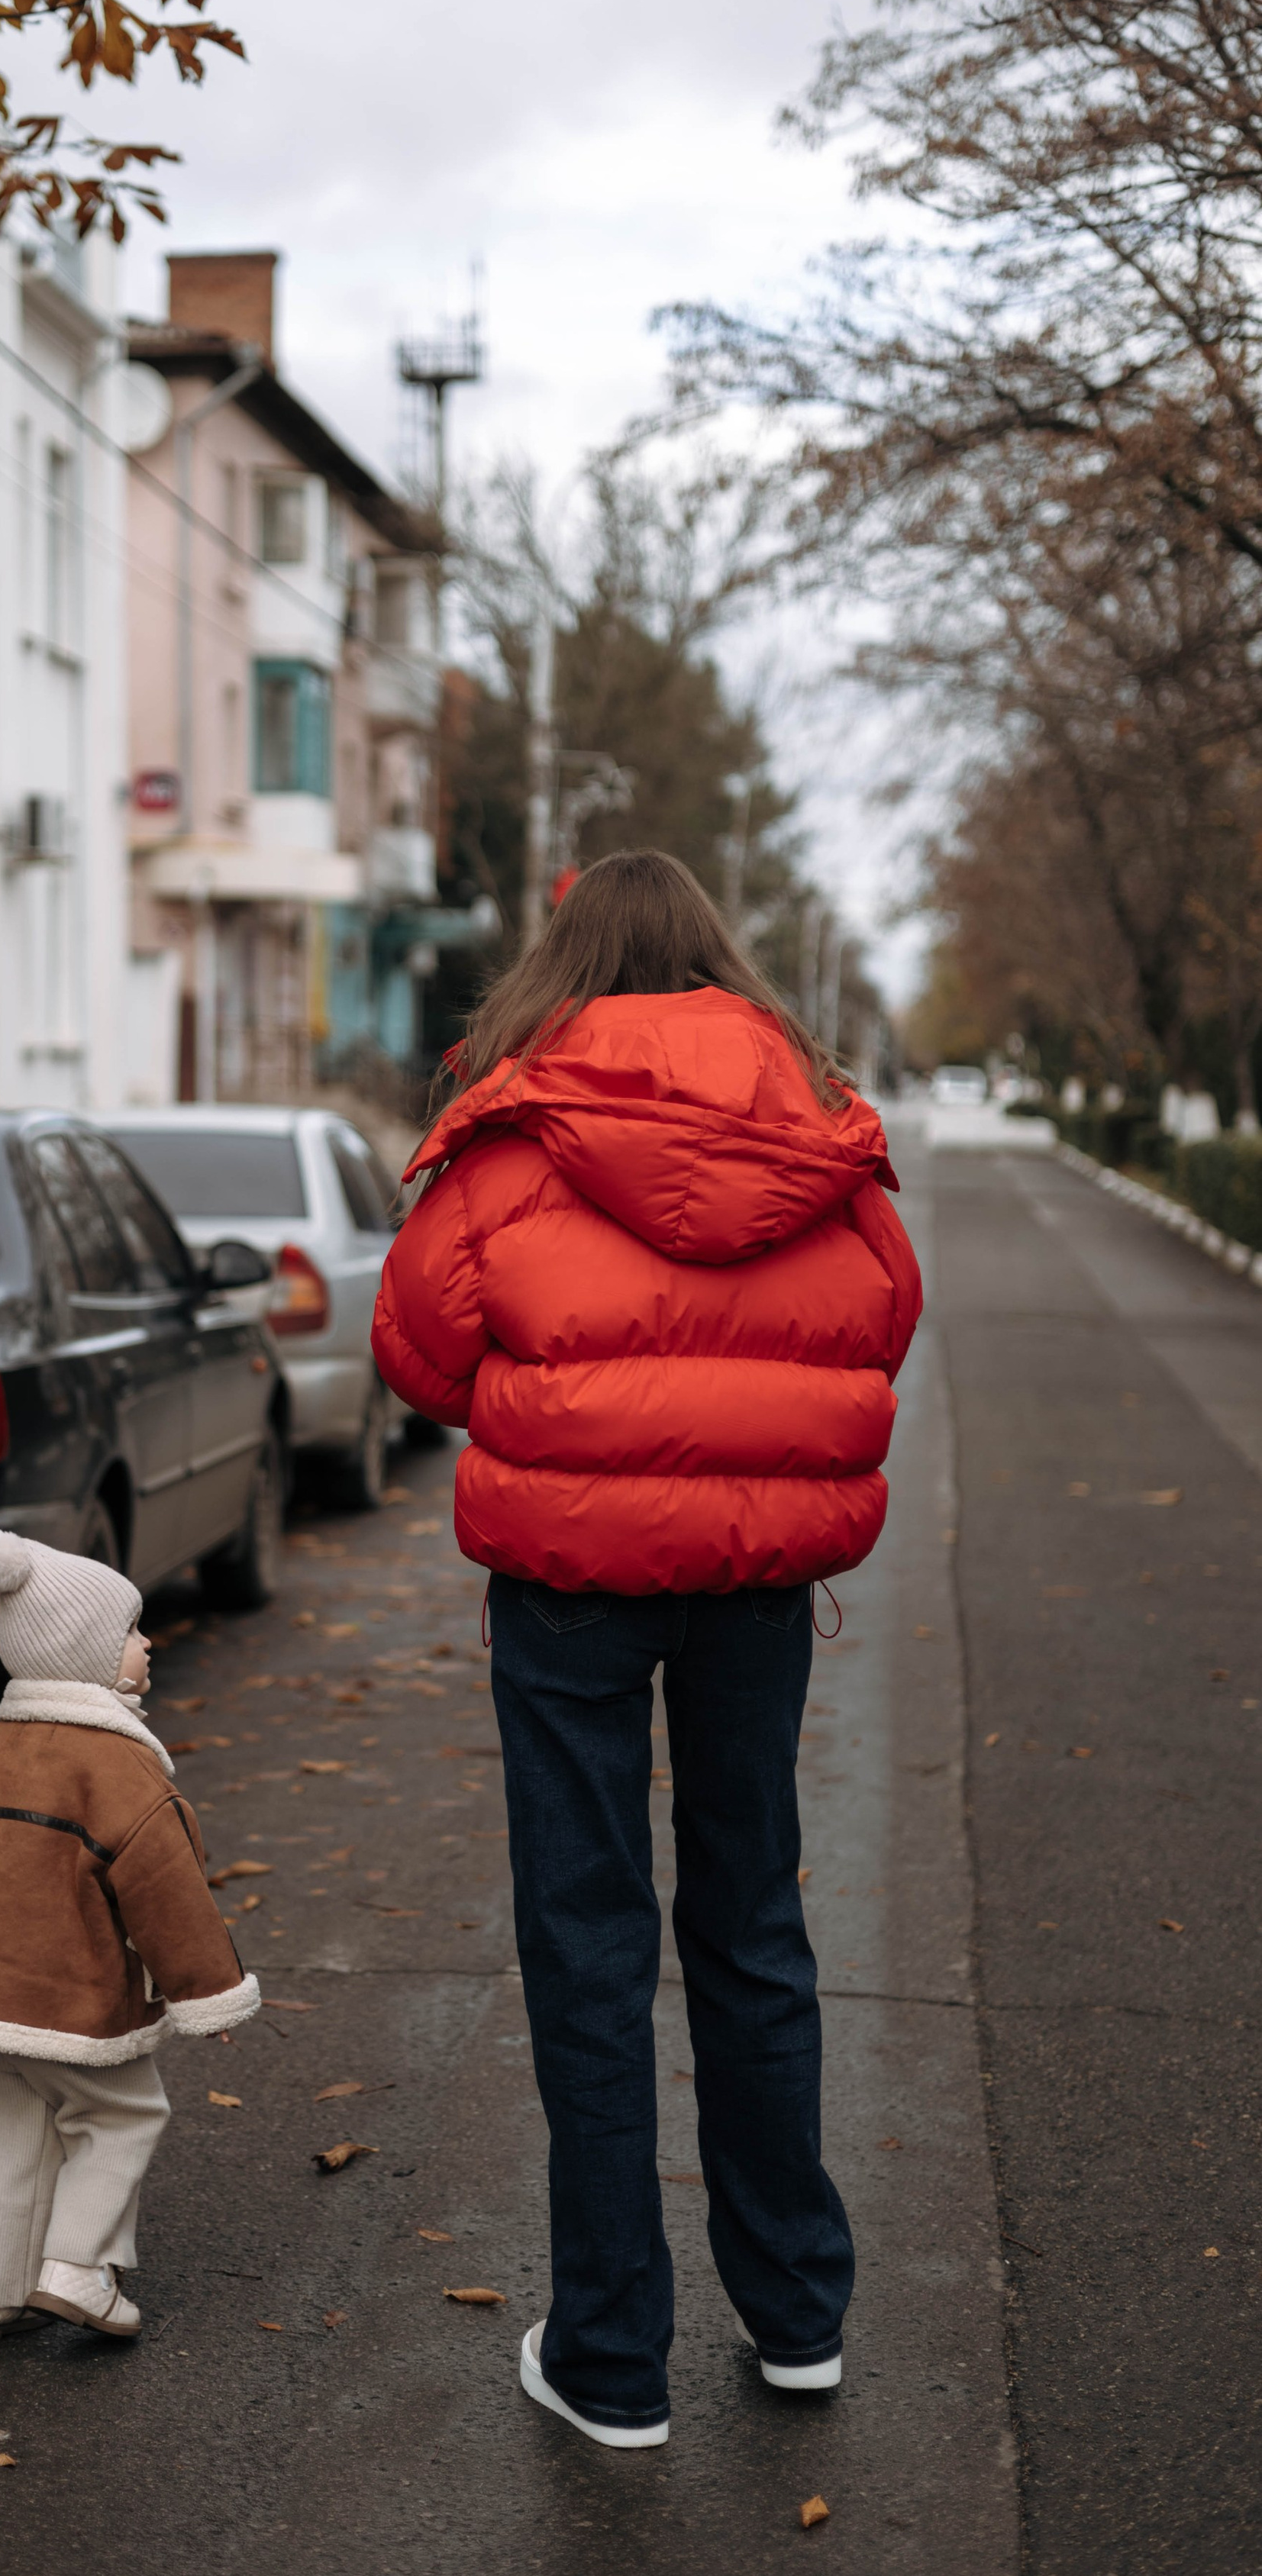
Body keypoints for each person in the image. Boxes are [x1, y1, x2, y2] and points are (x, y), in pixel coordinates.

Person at [372, 850, 921, 2449]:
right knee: (750, 1918)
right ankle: (796, 2309)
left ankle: (611, 2357)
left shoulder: (513, 1118)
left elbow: (417, 1341)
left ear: (565, 956)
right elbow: (881, 1312)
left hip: (566, 1584)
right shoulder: (815, 1115)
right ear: (714, 955)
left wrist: (552, 1421)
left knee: (588, 1936)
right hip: (752, 1582)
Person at [0, 1527, 258, 2344]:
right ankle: (78, 2269)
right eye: (128, 1631)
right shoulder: (120, 1772)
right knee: (119, 2118)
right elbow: (167, 1893)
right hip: (75, 2006)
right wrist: (209, 1994)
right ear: (82, 1653)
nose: (146, 1642)